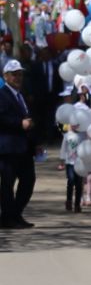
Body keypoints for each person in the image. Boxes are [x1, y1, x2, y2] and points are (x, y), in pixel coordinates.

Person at [0, 59, 36, 228]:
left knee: (28, 180)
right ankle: (8, 218)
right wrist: (18, 123)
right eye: (14, 74)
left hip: (23, 147)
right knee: (7, 184)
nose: (18, 77)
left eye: (20, 74)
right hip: (8, 147)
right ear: (5, 76)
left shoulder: (20, 94)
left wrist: (35, 143)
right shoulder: (2, 94)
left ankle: (14, 214)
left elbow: (27, 119)